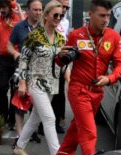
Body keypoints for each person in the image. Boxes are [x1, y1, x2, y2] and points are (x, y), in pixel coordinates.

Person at [54, 0, 121, 155]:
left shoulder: (114, 36)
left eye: (108, 16)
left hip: (98, 93)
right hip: (78, 90)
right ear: (90, 15)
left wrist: (109, 78)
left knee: (75, 131)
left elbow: (120, 66)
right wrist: (60, 56)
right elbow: (61, 61)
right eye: (102, 15)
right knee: (89, 133)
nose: (105, 19)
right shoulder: (76, 35)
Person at [12, 1, 65, 155]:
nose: (58, 18)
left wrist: (68, 73)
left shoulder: (61, 38)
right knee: (49, 118)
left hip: (52, 84)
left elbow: (62, 62)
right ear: (46, 15)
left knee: (35, 118)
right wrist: (22, 82)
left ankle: (19, 148)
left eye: (60, 15)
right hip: (35, 82)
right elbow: (23, 59)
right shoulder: (34, 35)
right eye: (55, 15)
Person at [7, 0, 42, 143]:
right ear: (27, 10)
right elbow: (9, 45)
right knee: (20, 103)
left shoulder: (45, 27)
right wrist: (15, 53)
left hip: (40, 71)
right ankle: (20, 136)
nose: (38, 13)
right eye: (35, 10)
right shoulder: (19, 27)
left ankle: (31, 131)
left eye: (40, 10)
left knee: (36, 103)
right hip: (22, 69)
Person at [52, 0, 71, 133]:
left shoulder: (66, 22)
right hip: (48, 60)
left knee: (59, 92)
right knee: (49, 92)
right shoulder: (49, 19)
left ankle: (58, 120)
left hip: (62, 60)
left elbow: (65, 40)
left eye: (66, 7)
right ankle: (43, 124)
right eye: (62, 6)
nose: (64, 9)